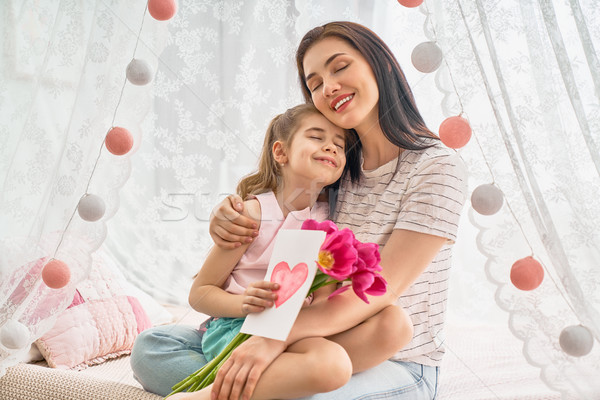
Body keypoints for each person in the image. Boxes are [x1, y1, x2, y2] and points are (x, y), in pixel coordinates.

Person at [207, 21, 468, 400]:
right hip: (315, 342)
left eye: (340, 67)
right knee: (156, 348)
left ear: (383, 66)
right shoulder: (337, 169)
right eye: (314, 83)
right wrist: (228, 210)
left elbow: (383, 289)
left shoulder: (436, 166)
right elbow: (275, 199)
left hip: (394, 358)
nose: (327, 87)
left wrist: (271, 336)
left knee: (310, 388)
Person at [130, 103, 413, 399]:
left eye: (339, 145)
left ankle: (240, 389)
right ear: (281, 153)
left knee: (373, 338)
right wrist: (242, 305)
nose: (331, 148)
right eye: (317, 137)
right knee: (332, 365)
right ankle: (265, 384)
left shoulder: (332, 221)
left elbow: (325, 299)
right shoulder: (251, 215)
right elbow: (200, 293)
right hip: (237, 328)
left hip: (298, 330)